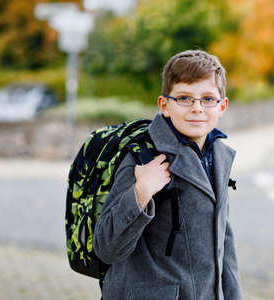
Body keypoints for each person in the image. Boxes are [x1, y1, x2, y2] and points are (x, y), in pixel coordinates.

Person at [93, 50, 243, 300]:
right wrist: (140, 194)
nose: (197, 108)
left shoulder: (218, 156)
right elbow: (106, 249)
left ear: (222, 106)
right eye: (184, 98)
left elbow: (223, 245)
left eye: (207, 99)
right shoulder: (143, 158)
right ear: (164, 105)